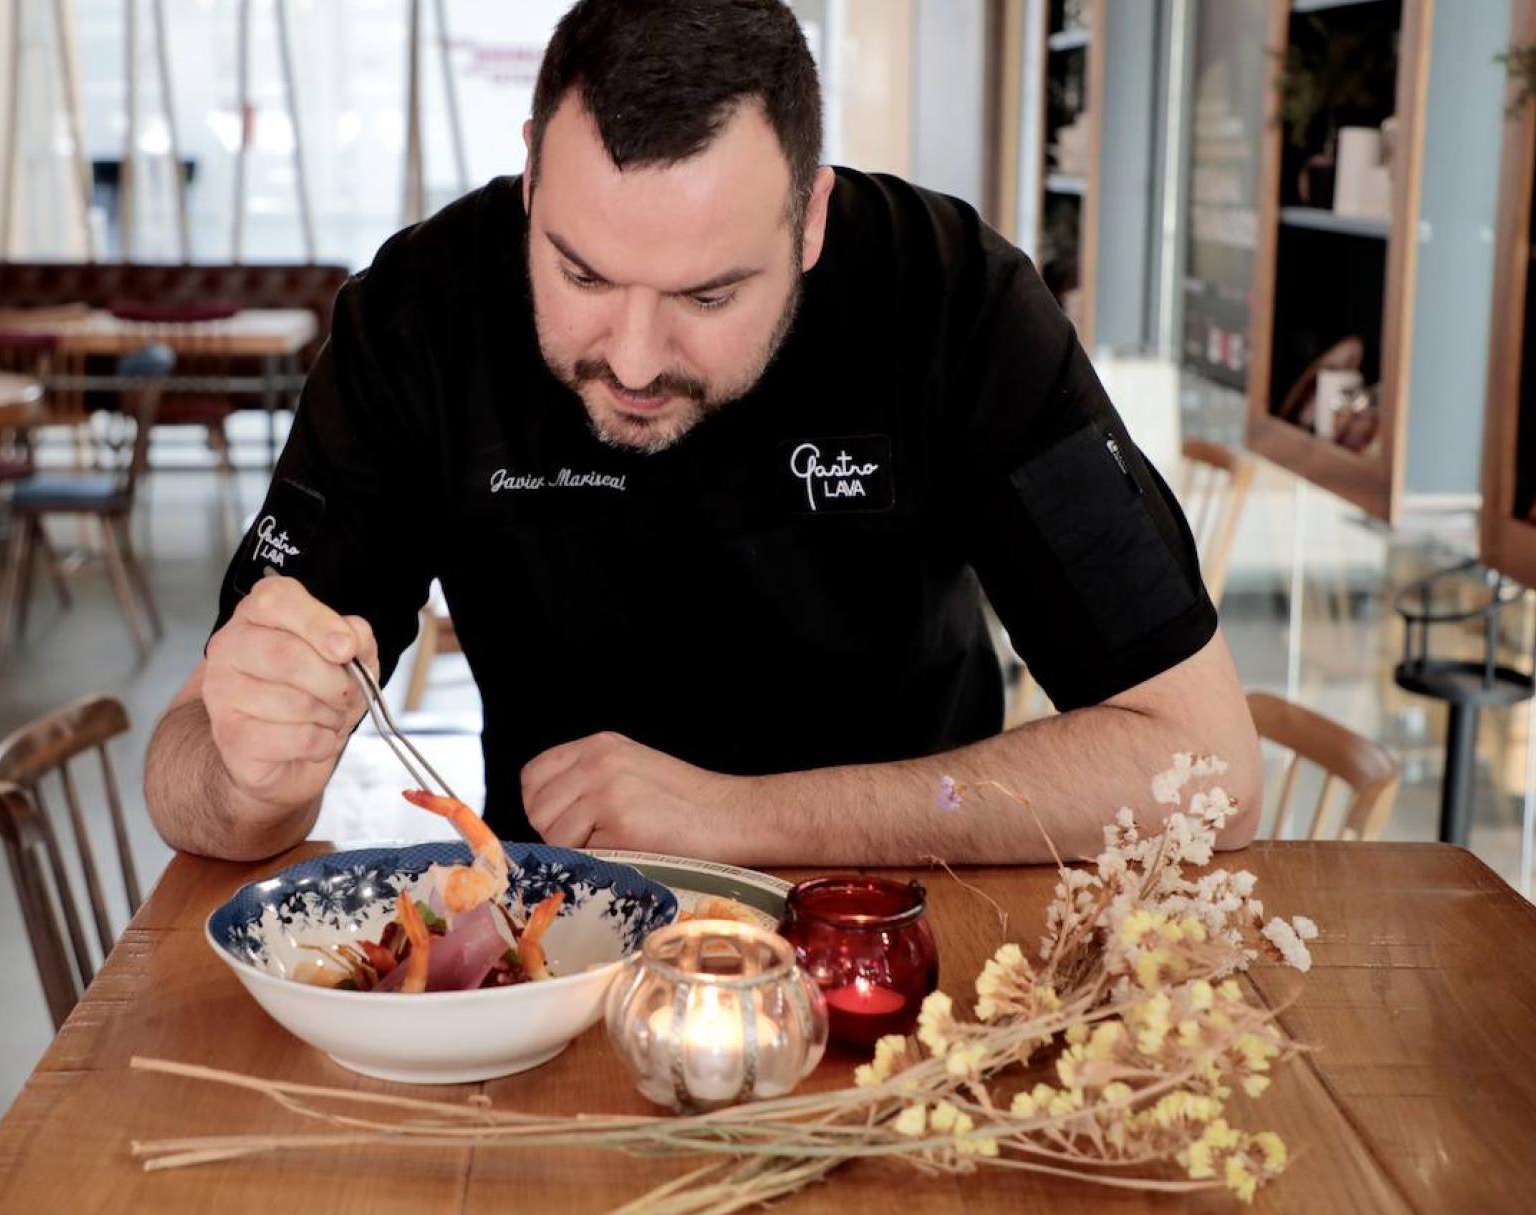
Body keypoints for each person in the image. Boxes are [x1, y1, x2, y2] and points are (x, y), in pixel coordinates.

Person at [144, 0, 1261, 866]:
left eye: (709, 296)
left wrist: (736, 818)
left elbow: (1205, 762)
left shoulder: (952, 301)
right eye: (581, 272)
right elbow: (186, 768)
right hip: (553, 945)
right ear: (533, 172)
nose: (632, 359)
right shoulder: (419, 317)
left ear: (810, 217)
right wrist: (249, 777)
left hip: (906, 928)